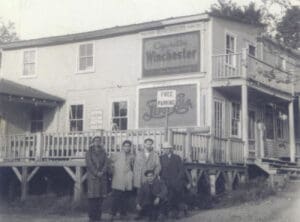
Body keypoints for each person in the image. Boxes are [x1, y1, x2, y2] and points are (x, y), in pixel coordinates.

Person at [109, 140, 135, 221]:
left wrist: (131, 175)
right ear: (122, 147)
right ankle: (112, 214)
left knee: (125, 198)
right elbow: (109, 163)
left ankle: (123, 214)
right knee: (116, 197)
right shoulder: (116, 154)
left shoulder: (132, 156)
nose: (127, 147)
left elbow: (133, 166)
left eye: (128, 146)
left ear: (130, 147)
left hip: (127, 179)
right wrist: (111, 172)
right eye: (125, 146)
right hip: (118, 178)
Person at [160, 142, 186, 219]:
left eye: (167, 148)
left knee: (177, 197)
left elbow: (181, 170)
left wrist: (178, 179)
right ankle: (168, 213)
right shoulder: (161, 158)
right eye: (164, 149)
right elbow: (159, 170)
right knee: (166, 197)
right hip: (165, 181)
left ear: (170, 149)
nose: (166, 150)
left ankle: (181, 212)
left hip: (175, 181)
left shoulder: (177, 157)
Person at [86, 136, 109, 222]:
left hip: (102, 177)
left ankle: (98, 216)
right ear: (93, 142)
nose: (97, 142)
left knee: (100, 198)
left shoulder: (103, 152)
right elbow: (89, 164)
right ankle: (92, 216)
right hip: (93, 177)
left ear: (100, 142)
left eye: (99, 141)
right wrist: (96, 173)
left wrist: (102, 172)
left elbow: (106, 163)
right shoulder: (89, 152)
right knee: (92, 198)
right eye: (95, 140)